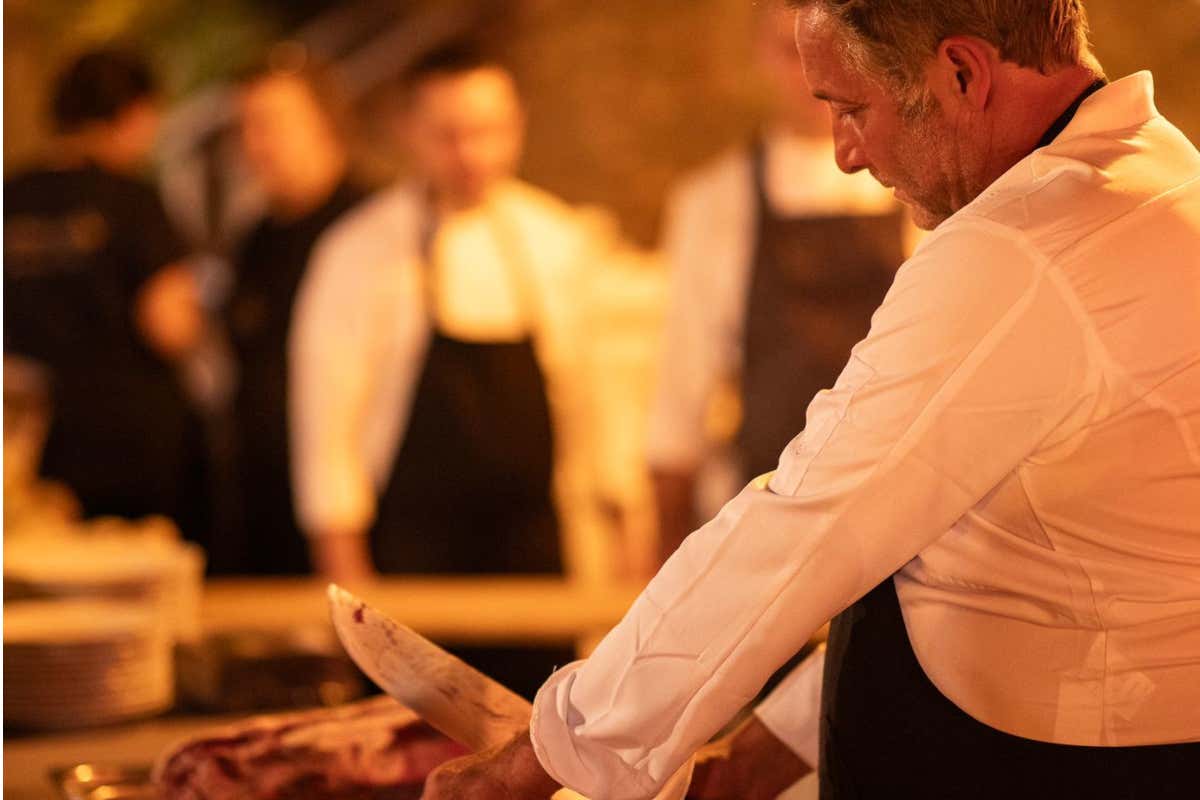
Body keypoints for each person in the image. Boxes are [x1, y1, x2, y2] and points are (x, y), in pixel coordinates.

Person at [419, 1, 1200, 797]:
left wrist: (535, 763)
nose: (845, 155)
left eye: (854, 109)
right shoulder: (1158, 172)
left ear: (962, 73)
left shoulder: (1021, 250)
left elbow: (806, 521)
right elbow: (983, 559)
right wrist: (770, 750)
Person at [289, 42, 601, 697]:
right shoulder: (358, 251)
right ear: (408, 132)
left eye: (492, 132)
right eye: (451, 135)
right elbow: (326, 441)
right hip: (411, 567)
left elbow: (591, 420)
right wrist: (356, 603)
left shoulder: (556, 239)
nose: (474, 154)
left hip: (539, 568)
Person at [648, 0, 905, 566]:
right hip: (761, 505)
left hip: (902, 511)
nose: (813, 74)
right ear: (760, 57)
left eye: (834, 51)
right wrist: (664, 546)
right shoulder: (714, 199)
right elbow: (681, 389)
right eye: (791, 53)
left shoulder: (916, 185)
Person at [4, 48, 208, 539]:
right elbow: (170, 324)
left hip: (29, 445)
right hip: (130, 445)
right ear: (132, 113)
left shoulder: (10, 197)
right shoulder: (132, 200)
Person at [223, 51, 367, 574]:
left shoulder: (371, 227)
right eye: (243, 128)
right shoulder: (255, 236)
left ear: (325, 122)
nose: (253, 145)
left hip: (350, 521)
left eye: (269, 125)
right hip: (264, 507)